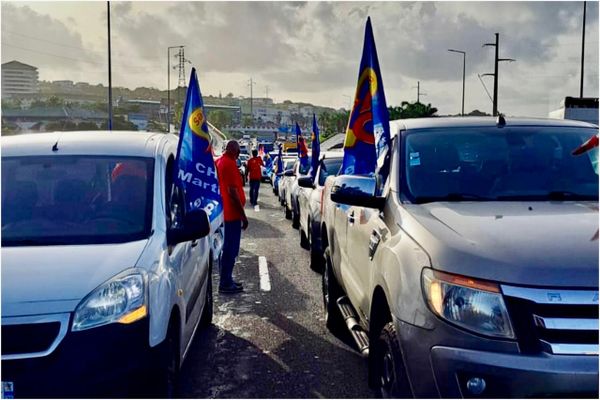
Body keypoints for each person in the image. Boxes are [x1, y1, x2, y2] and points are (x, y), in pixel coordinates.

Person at [215, 140, 248, 294]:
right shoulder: (228, 164)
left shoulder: (222, 161)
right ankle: (225, 282)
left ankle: (227, 279)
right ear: (235, 150)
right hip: (232, 214)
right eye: (238, 150)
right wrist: (243, 216)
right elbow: (232, 192)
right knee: (230, 249)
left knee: (227, 248)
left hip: (227, 213)